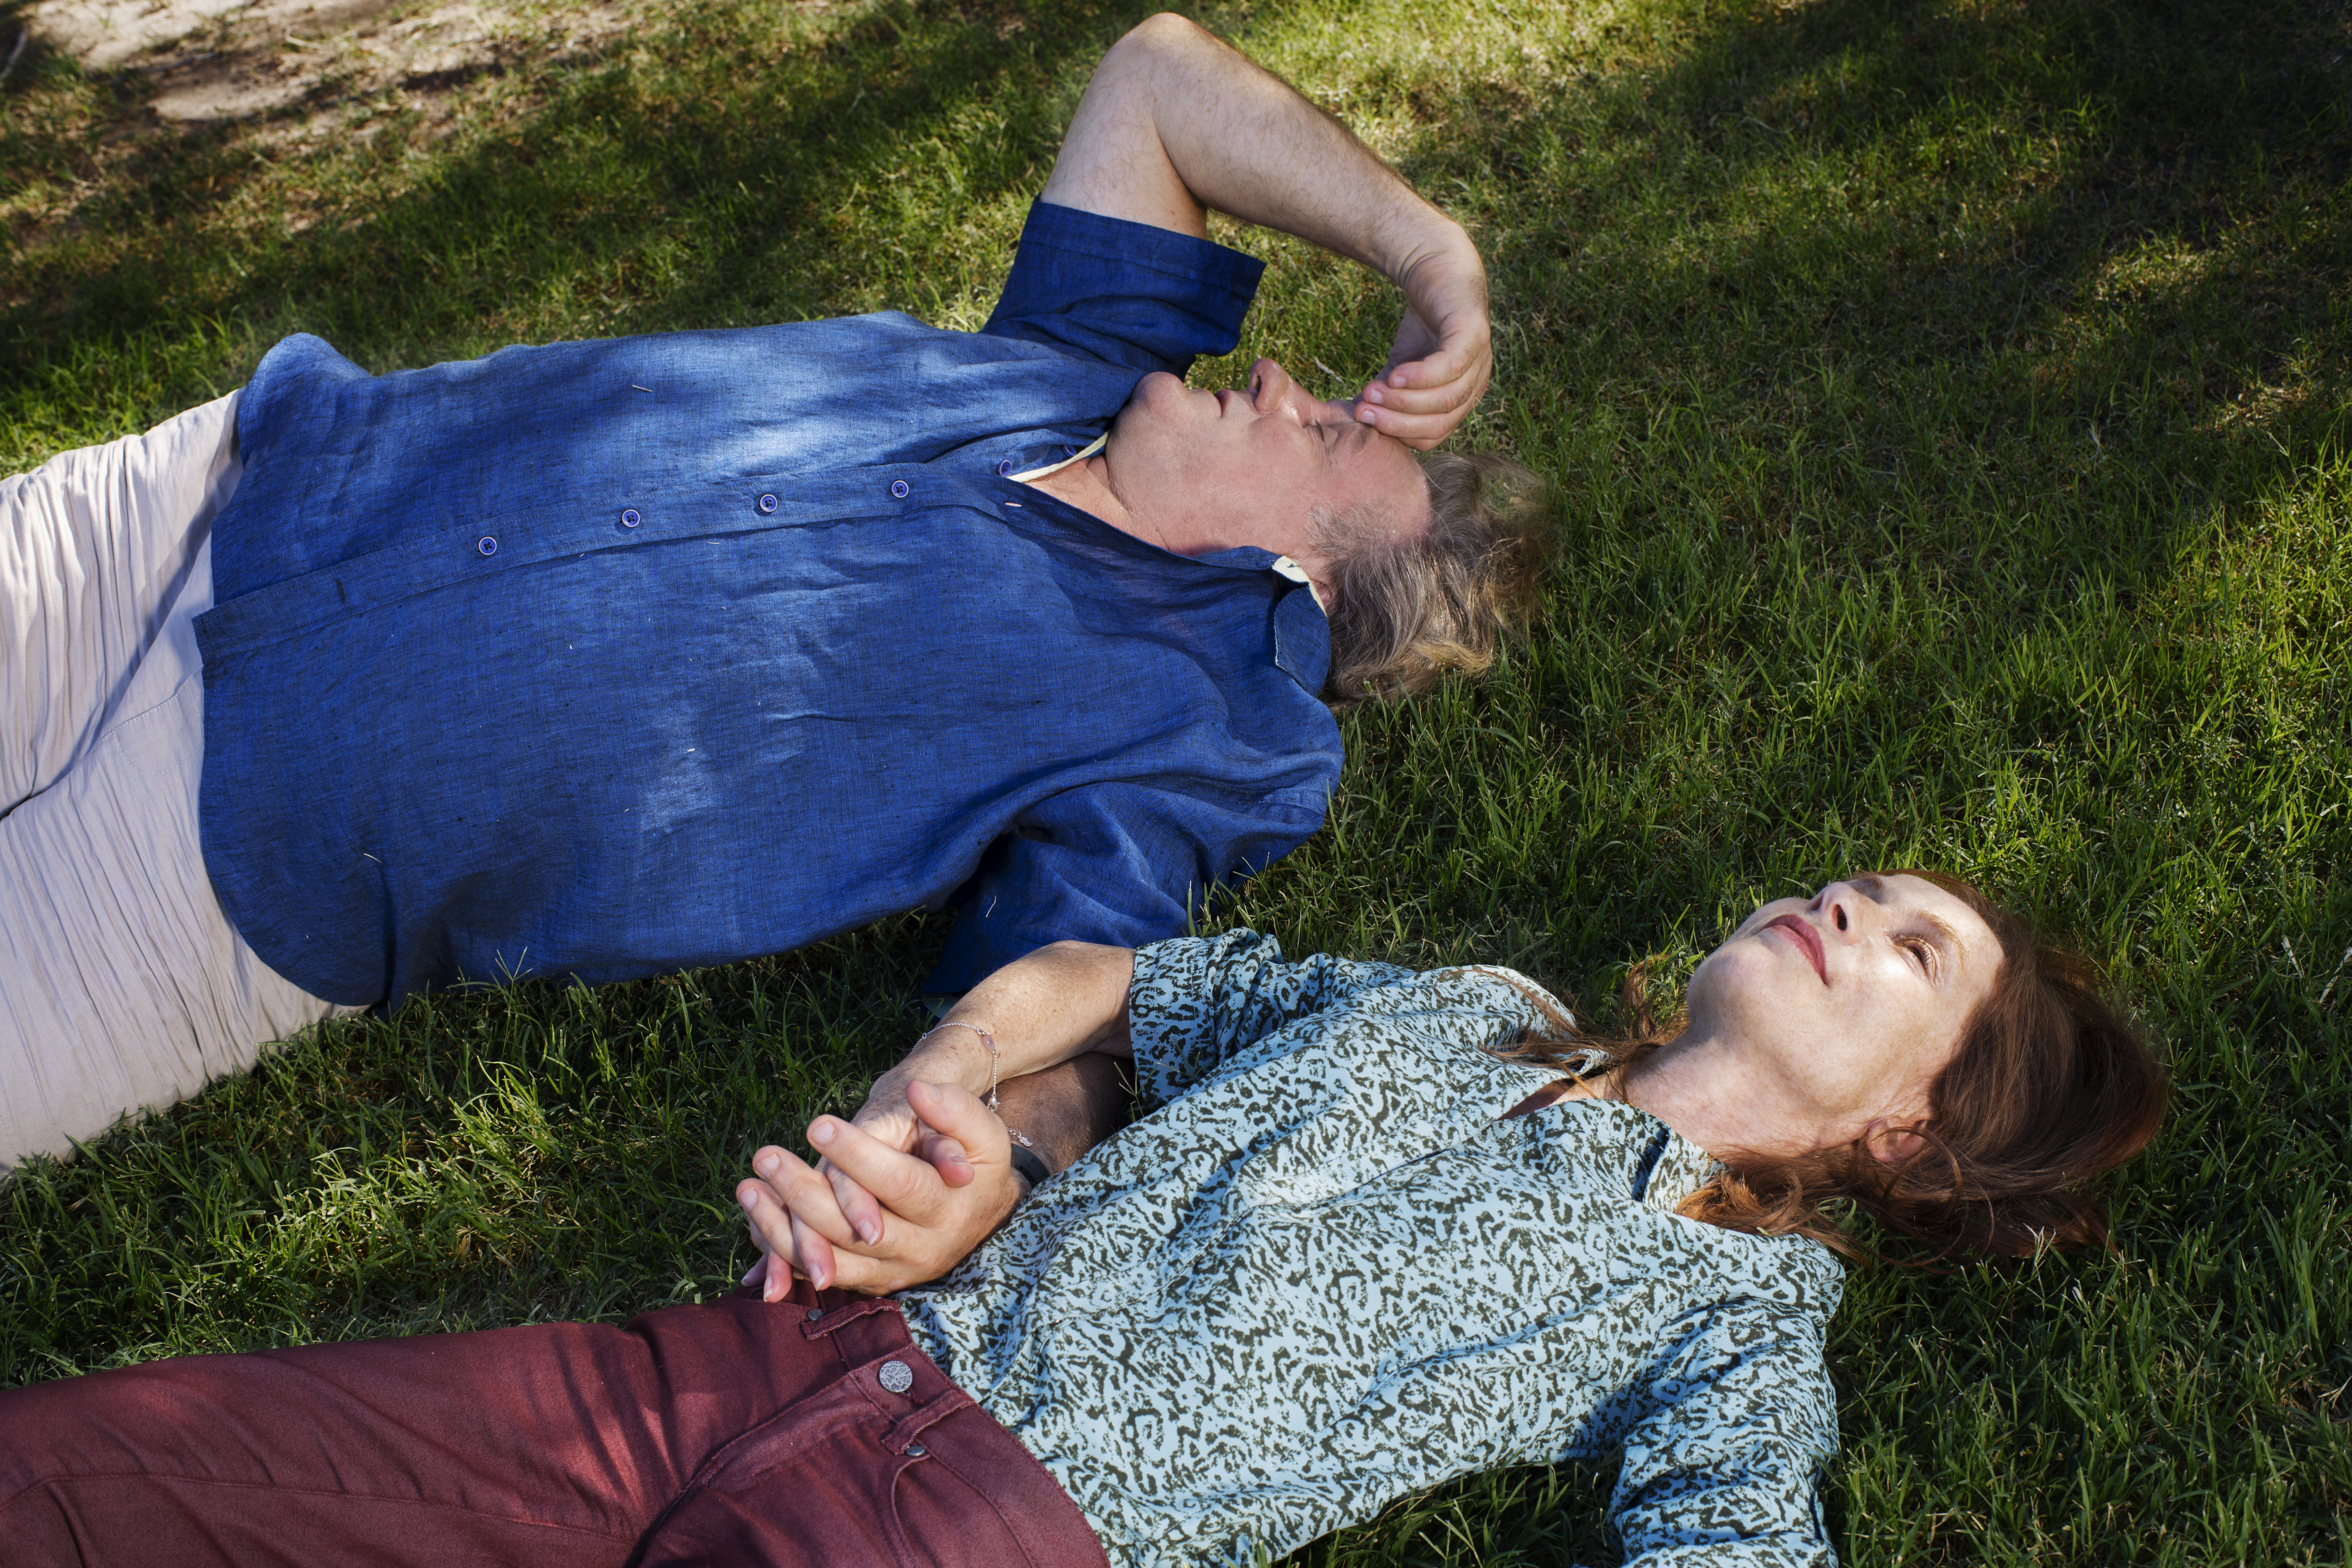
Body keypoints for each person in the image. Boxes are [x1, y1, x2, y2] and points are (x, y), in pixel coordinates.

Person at [0, 15, 1552, 1171]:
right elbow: (1156, 73)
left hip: (234, 870)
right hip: (201, 508)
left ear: (1302, 576)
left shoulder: (1198, 724)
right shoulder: (1080, 360)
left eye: (1331, 430)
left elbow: (1077, 996)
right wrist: (1432, 254)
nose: (1281, 377)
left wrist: (976, 1151)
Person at [0, 873, 2168, 1566]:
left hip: (985, 1535)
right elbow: (1114, 988)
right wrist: (946, 1125)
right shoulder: (1468, 1010)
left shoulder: (1739, 1307)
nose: (1842, 902)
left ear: (1916, 1132)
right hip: (777, 1346)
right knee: (112, 1472)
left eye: (1900, 949)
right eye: (1864, 884)